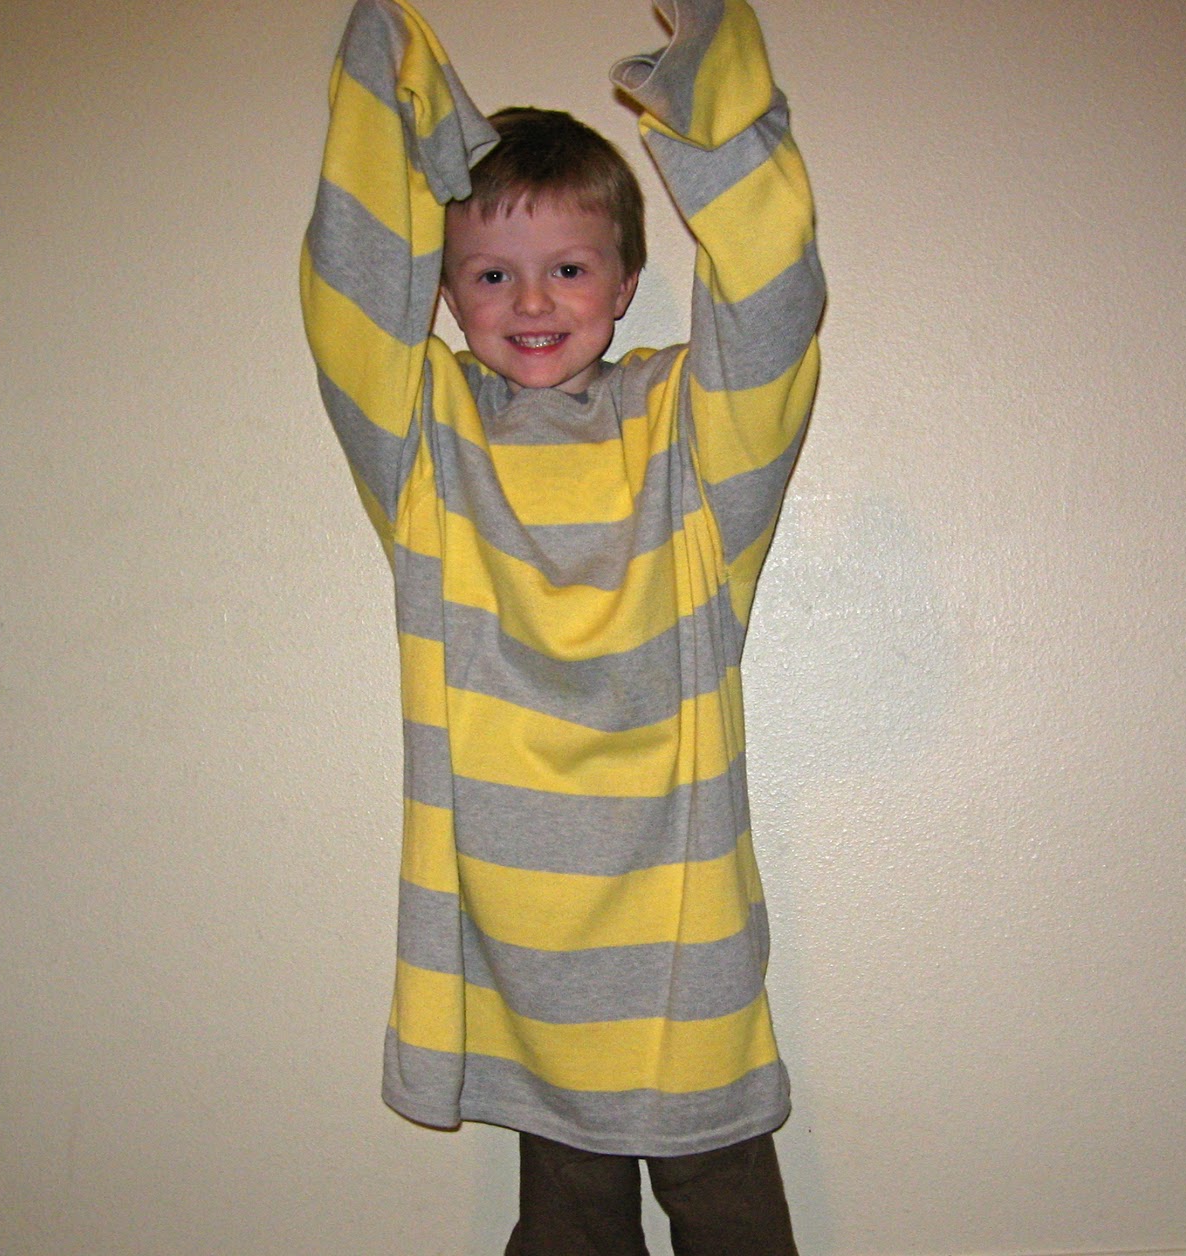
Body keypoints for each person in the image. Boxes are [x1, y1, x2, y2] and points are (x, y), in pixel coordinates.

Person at [299, 0, 823, 1249]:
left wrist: (711, 97)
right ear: (444, 291)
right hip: (518, 938)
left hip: (681, 934)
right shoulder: (428, 444)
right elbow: (347, 302)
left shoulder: (687, 435)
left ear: (627, 282)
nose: (529, 297)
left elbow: (775, 304)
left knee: (730, 1208)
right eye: (489, 271)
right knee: (568, 1223)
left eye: (569, 267)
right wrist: (396, 90)